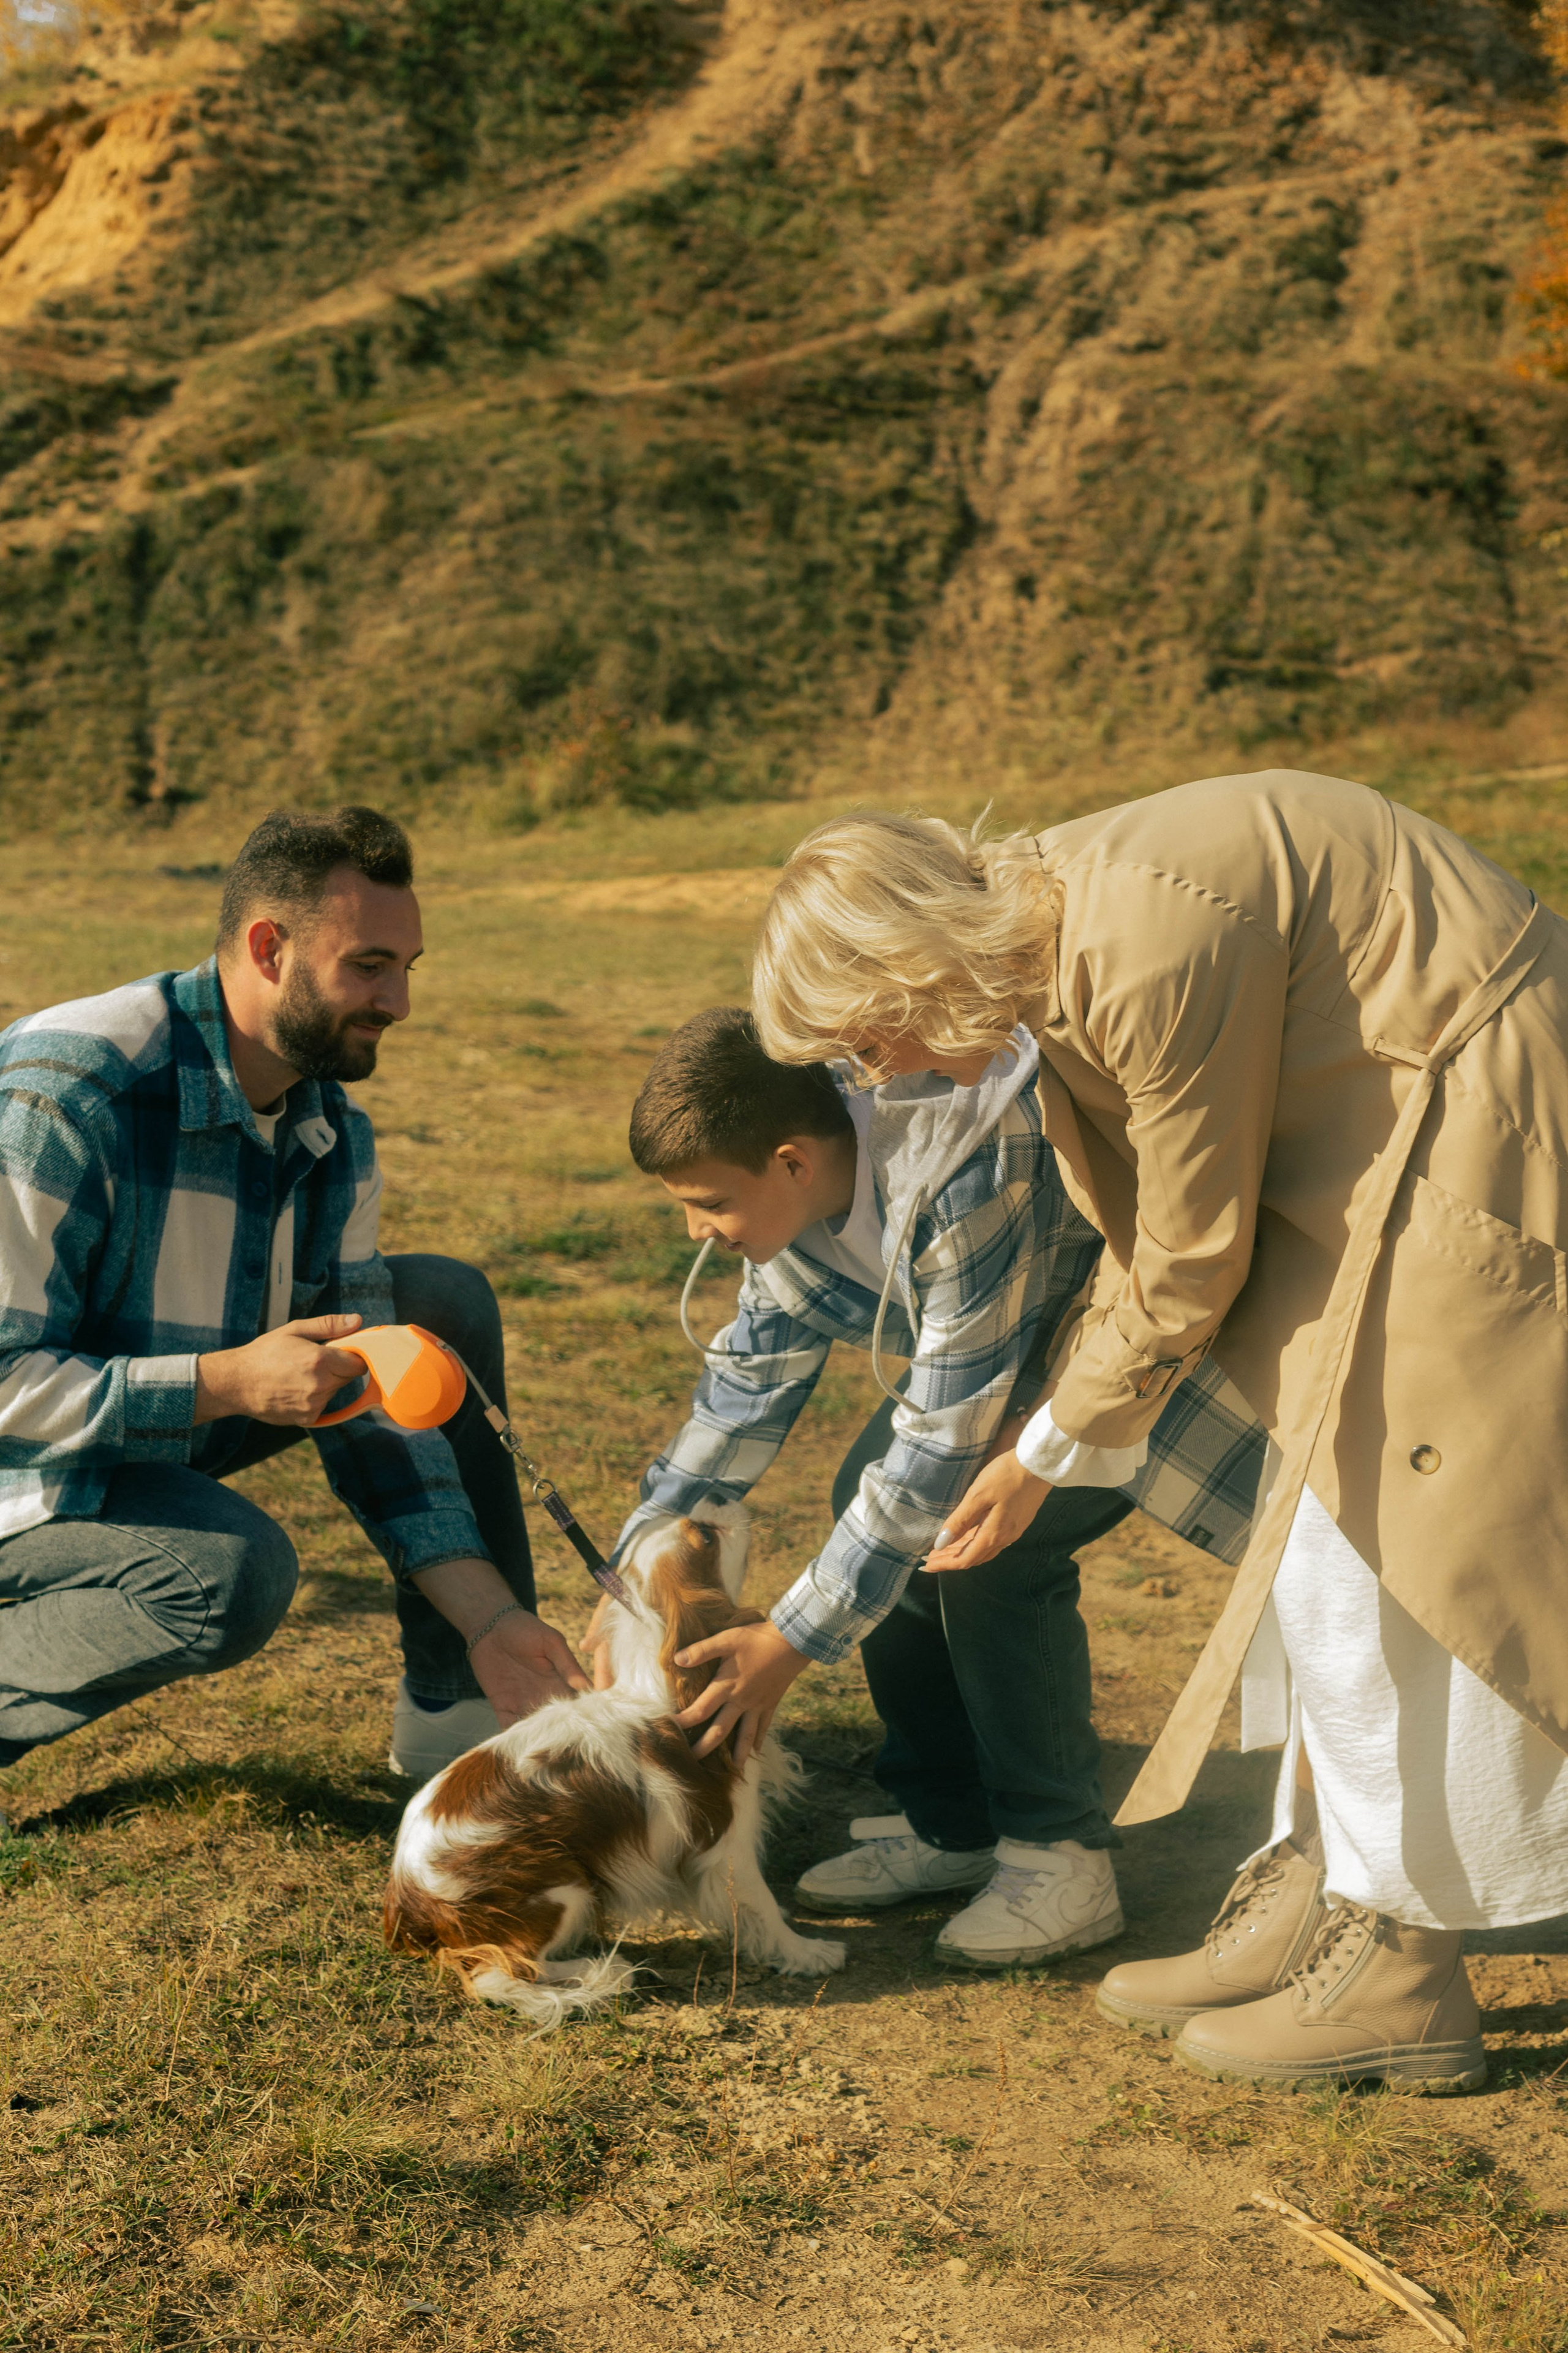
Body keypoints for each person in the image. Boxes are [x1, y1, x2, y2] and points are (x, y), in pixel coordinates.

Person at [747, 772, 1568, 2091]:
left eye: (863, 1043)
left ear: (907, 971)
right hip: (1382, 1141)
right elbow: (1156, 1240)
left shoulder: (1133, 946)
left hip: (1478, 1126)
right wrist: (1051, 1440)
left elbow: (1188, 1256)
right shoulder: (1052, 952)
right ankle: (1325, 1884)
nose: (873, 1080)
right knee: (1320, 1541)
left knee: (1399, 1551)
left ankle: (1405, 1965)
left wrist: (1040, 1452)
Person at [606, 1006, 1265, 1968]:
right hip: (996, 1373)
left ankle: (1059, 1852)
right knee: (866, 1500)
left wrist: (791, 1640)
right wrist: (630, 1567)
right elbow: (743, 1395)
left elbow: (940, 1450)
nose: (695, 1229)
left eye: (708, 1201)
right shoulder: (791, 1217)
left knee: (980, 1540)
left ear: (791, 1162)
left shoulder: (963, 1172)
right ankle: (954, 1821)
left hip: (1138, 1363)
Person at [0, 806, 585, 1792]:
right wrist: (227, 1383)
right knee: (230, 1572)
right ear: (269, 949)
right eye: (370, 966)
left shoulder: (332, 1129)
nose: (400, 1001)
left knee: (436, 1308)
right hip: (23, 1450)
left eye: (408, 967)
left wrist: (490, 1618)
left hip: (152, 1422)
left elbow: (376, 1405)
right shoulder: (70, 1096)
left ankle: (463, 1706)